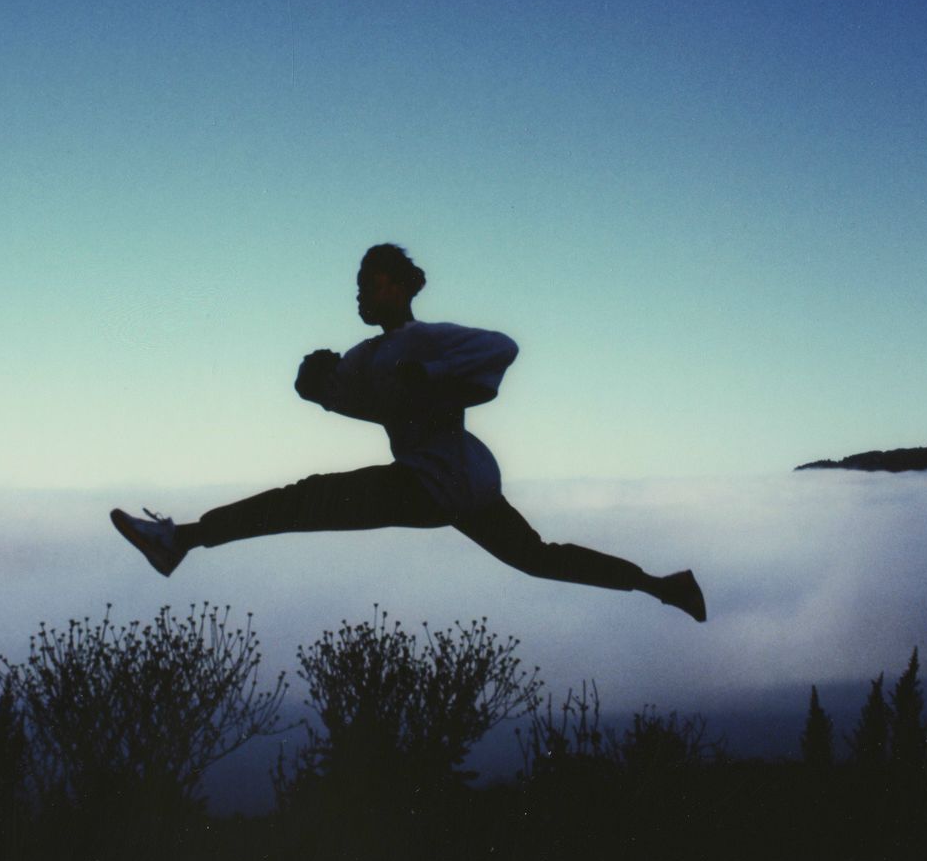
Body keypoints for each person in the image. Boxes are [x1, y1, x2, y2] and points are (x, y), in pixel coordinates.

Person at [110, 243, 706, 621]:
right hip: (462, 484)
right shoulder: (370, 353)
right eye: (360, 283)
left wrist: (431, 371)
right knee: (536, 557)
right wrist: (315, 385)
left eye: (370, 281)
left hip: (431, 483)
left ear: (397, 285)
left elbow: (504, 346)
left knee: (305, 499)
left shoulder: (419, 340)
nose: (361, 292)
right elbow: (349, 394)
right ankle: (662, 586)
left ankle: (178, 541)